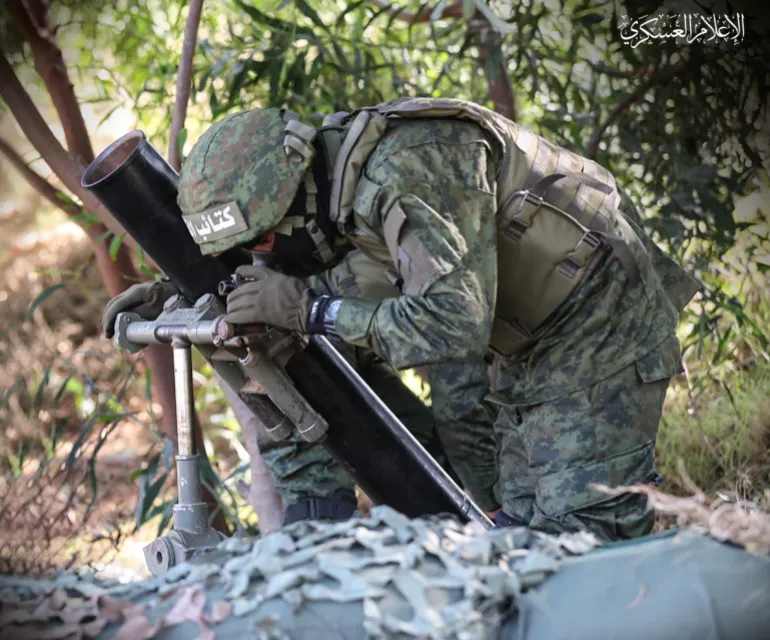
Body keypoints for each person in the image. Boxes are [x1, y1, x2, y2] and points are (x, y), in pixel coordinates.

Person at [103, 97, 699, 541]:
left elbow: (452, 327)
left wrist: (310, 312)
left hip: (597, 323)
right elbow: (309, 268)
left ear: (292, 196)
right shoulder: (329, 187)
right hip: (526, 345)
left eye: (260, 240)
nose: (261, 256)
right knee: (524, 540)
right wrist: (178, 292)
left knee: (587, 539)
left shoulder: (410, 174)